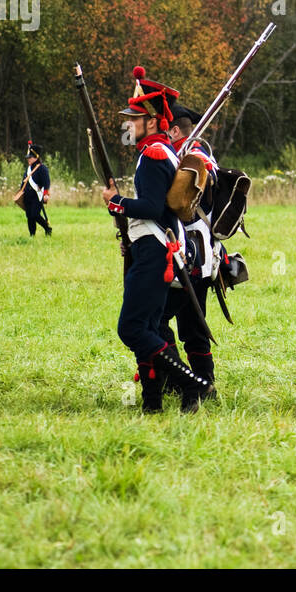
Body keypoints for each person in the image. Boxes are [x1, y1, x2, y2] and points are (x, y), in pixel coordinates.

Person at [102, 66, 213, 414]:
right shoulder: (161, 150)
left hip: (154, 250)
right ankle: (152, 404)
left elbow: (151, 207)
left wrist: (115, 202)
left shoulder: (152, 154)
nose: (128, 125)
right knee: (147, 328)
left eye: (135, 119)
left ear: (152, 121)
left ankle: (190, 384)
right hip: (157, 247)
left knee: (131, 328)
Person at [157, 102, 219, 390]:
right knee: (180, 324)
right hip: (186, 253)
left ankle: (192, 383)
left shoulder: (195, 158)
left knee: (163, 323)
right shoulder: (179, 156)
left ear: (174, 129)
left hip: (192, 254)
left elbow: (185, 205)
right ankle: (192, 381)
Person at [19, 142, 52, 236]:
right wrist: (21, 191)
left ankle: (47, 228)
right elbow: (24, 181)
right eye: (28, 157)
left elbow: (46, 182)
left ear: (36, 157)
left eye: (30, 157)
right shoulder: (28, 169)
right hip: (27, 196)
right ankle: (32, 235)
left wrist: (46, 194)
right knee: (29, 216)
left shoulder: (42, 168)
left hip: (37, 196)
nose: (28, 159)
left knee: (35, 215)